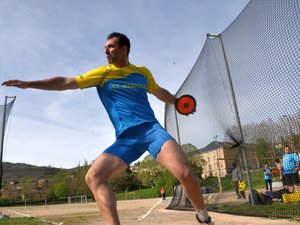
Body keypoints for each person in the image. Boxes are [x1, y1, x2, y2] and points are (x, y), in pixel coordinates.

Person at [2, 32, 213, 225]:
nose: (105, 51)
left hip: (151, 131)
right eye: (105, 47)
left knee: (184, 172)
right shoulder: (102, 74)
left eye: (110, 46)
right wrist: (29, 83)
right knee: (93, 177)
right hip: (126, 140)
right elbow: (66, 82)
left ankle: (202, 216)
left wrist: (177, 102)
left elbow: (158, 91)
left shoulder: (142, 73)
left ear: (124, 48)